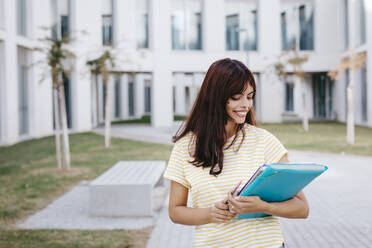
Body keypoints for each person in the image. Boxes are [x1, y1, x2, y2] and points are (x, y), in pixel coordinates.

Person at [164, 58, 309, 248]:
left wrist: (263, 207)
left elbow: (302, 208)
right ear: (216, 96)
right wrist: (211, 214)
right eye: (236, 97)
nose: (245, 105)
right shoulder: (185, 147)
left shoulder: (265, 141)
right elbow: (175, 211)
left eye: (249, 97)